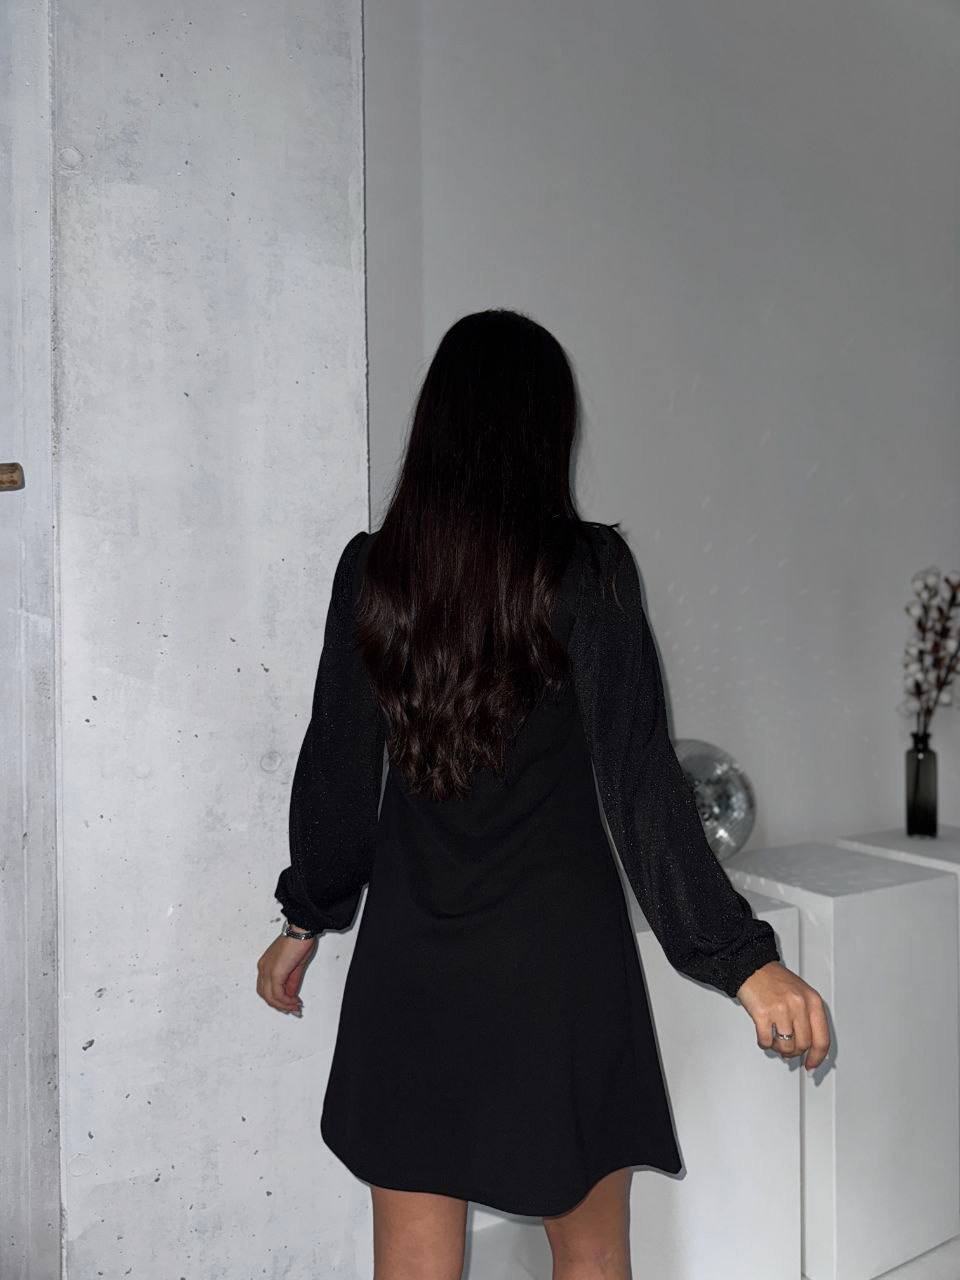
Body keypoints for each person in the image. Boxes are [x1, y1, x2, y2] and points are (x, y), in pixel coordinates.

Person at [256, 308, 830, 1280]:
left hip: (413, 964)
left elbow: (335, 774)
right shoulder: (589, 570)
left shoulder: (374, 571)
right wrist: (741, 961)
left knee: (414, 1261)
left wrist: (305, 916)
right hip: (557, 969)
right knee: (592, 1253)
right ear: (547, 427)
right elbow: (641, 781)